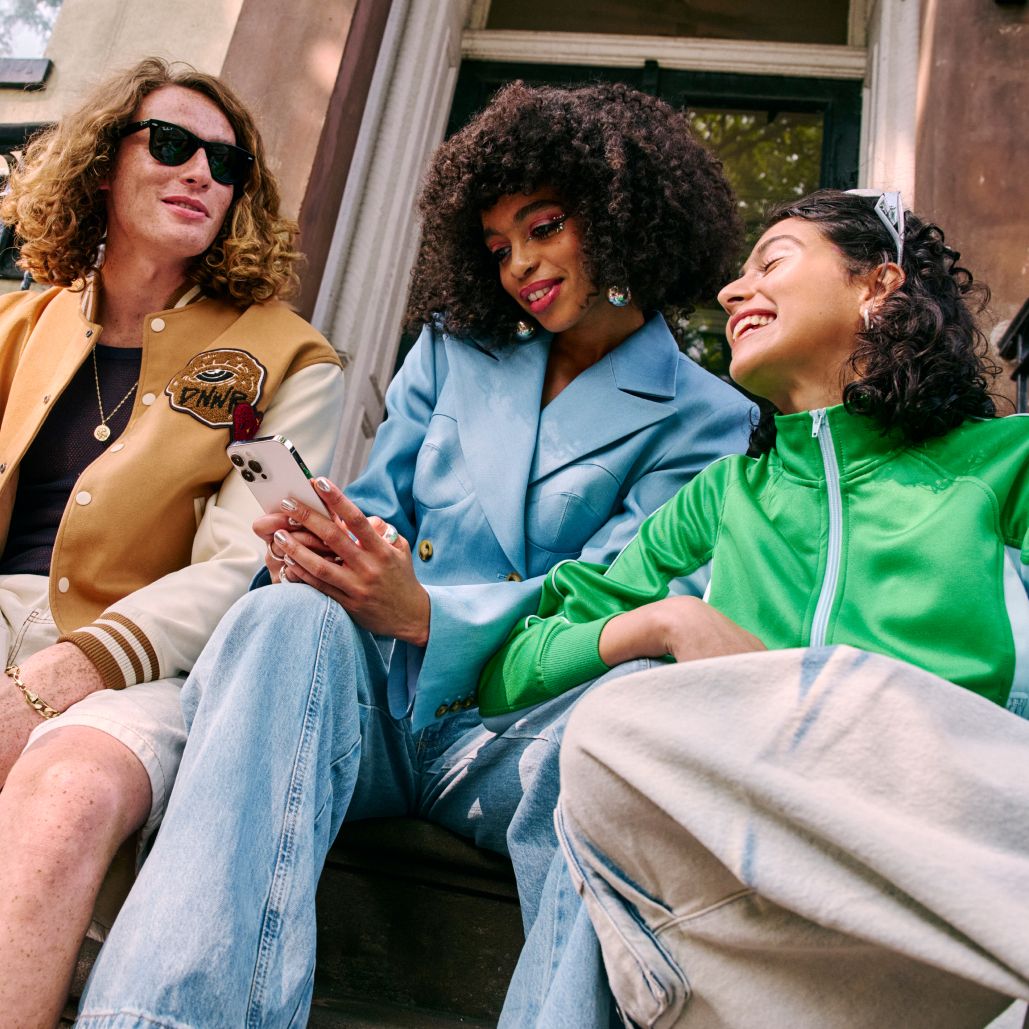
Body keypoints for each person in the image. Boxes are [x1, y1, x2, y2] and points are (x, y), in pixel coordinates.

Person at [75, 81, 754, 1025]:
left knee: (622, 725)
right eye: (496, 245)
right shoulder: (449, 352)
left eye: (544, 226)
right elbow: (383, 509)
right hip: (381, 704)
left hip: (524, 728)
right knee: (280, 615)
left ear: (624, 219)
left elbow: (611, 600)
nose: (518, 265)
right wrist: (324, 544)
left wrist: (428, 613)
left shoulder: (710, 417)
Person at [480, 188, 1029, 1026]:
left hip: (936, 831)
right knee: (607, 723)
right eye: (735, 276)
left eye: (770, 261)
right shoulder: (722, 494)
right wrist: (665, 623)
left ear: (876, 286)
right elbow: (512, 667)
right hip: (755, 865)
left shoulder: (1000, 460)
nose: (734, 292)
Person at [0, 57, 344, 1026]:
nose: (202, 173)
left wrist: (57, 680)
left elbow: (245, 563)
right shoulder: (15, 326)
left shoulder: (287, 358)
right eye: (172, 144)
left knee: (65, 792)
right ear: (102, 165)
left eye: (227, 163)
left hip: (151, 666)